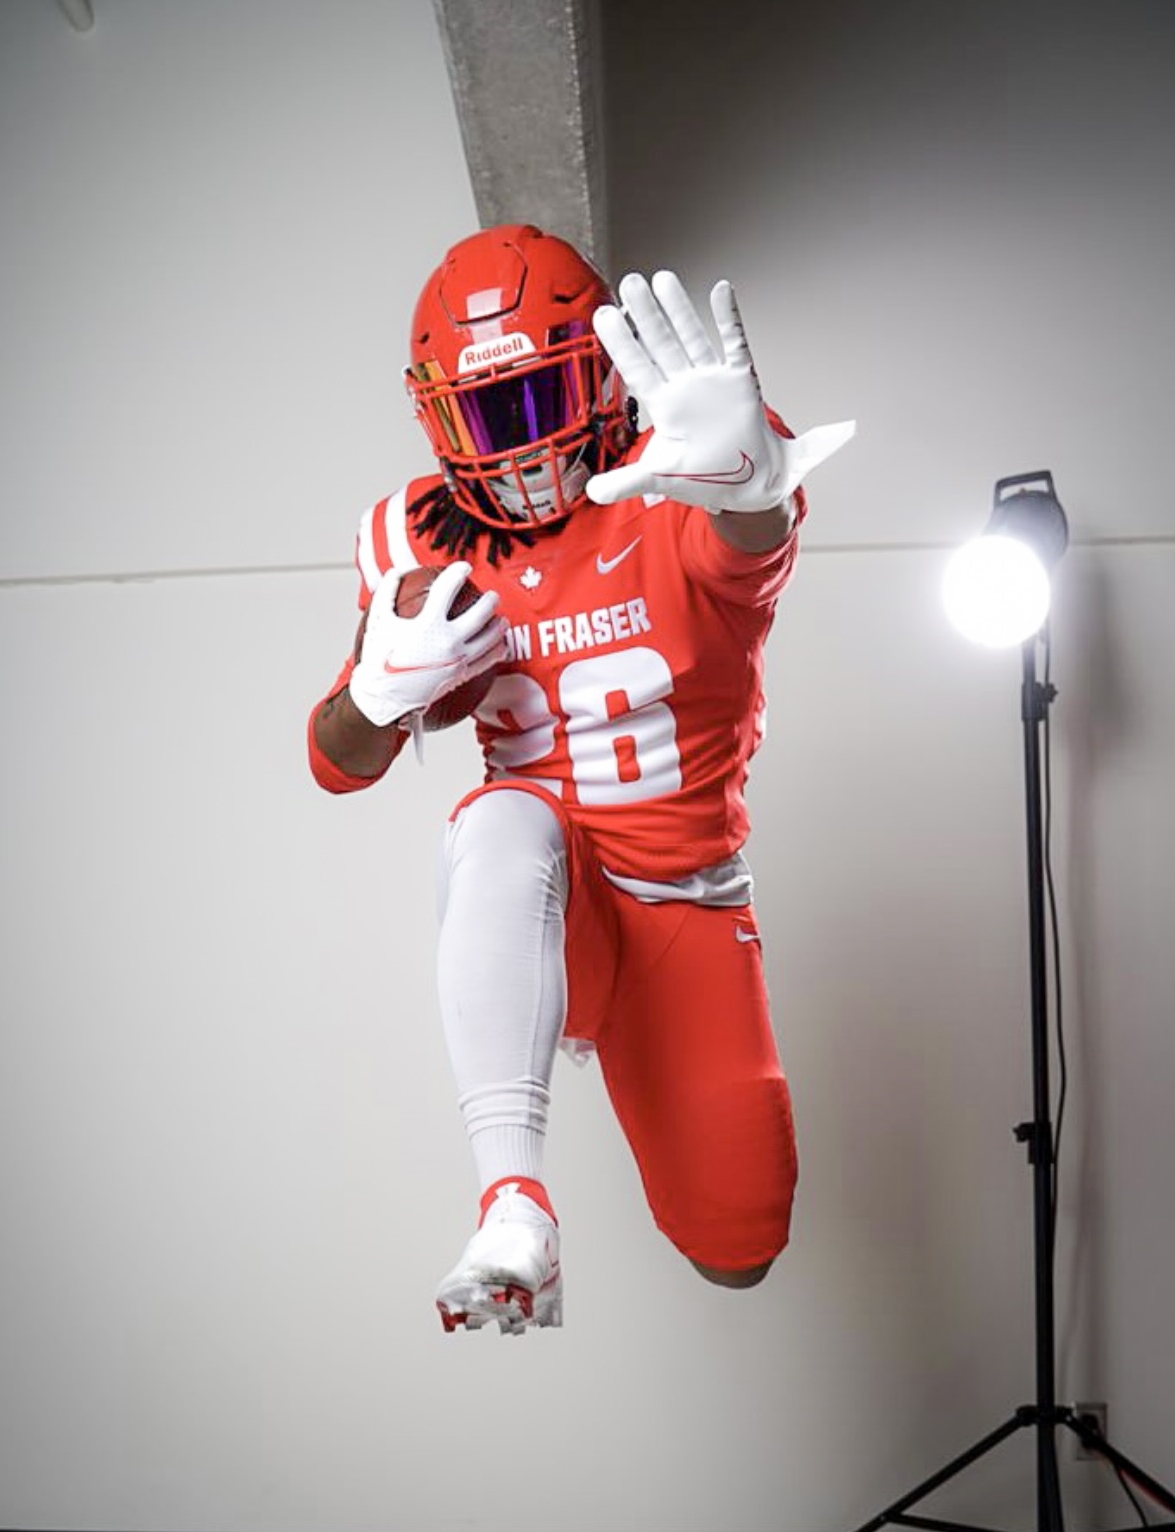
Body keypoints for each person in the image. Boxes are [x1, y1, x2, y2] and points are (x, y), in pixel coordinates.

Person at [308, 224, 854, 1334]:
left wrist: (750, 488)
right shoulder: (416, 535)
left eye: (533, 402)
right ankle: (514, 1202)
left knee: (738, 1249)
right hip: (535, 901)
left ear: (601, 378)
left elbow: (749, 541)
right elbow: (334, 759)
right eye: (480, 416)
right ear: (433, 416)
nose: (511, 450)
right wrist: (373, 692)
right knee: (504, 815)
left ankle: (610, 1091)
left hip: (681, 906)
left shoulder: (685, 468)